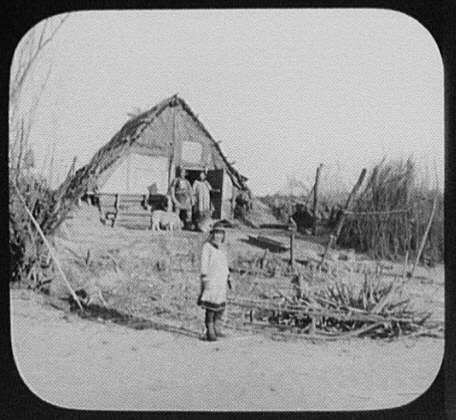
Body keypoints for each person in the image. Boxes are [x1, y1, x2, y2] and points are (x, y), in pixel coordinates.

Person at [197, 228, 232, 341]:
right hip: (211, 280)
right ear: (212, 234)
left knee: (220, 307)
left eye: (221, 234)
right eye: (216, 233)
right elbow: (204, 263)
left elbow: (225, 265)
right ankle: (210, 331)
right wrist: (204, 278)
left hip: (221, 281)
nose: (218, 236)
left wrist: (229, 278)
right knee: (211, 307)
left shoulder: (223, 248)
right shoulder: (207, 247)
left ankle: (217, 329)